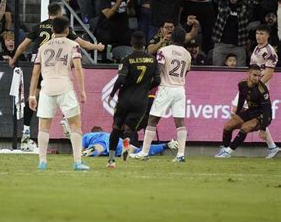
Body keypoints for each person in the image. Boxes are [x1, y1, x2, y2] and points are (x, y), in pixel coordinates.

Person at [9, 2, 104, 150]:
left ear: (48, 13)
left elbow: (23, 46)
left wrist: (14, 59)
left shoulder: (39, 27)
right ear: (59, 13)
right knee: (63, 88)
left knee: (35, 96)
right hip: (57, 63)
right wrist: (97, 47)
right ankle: (66, 118)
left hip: (40, 62)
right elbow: (83, 44)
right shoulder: (63, 27)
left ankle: (26, 134)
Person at [28, 16, 89, 171]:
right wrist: (82, 90)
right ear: (67, 30)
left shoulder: (43, 47)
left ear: (53, 30)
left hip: (47, 88)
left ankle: (42, 162)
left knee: (43, 127)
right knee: (75, 125)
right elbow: (78, 69)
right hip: (64, 87)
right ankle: (77, 162)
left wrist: (31, 95)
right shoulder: (73, 45)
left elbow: (35, 73)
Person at [134, 27, 192, 162]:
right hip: (180, 89)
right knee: (180, 122)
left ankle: (144, 152)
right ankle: (181, 155)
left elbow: (159, 71)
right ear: (183, 39)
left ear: (172, 38)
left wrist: (149, 85)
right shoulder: (187, 54)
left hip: (166, 87)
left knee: (152, 119)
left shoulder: (163, 51)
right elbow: (186, 72)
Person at [106, 31, 161, 168]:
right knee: (130, 128)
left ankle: (111, 161)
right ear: (144, 44)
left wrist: (112, 93)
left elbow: (121, 79)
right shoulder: (152, 60)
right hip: (141, 101)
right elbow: (158, 80)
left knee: (116, 127)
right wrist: (146, 88)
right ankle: (127, 140)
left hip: (125, 98)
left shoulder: (127, 59)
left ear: (131, 43)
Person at [230, 24, 279, 158]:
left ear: (268, 35)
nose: (259, 36)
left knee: (236, 111)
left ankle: (228, 148)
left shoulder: (270, 52)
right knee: (236, 111)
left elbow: (269, 74)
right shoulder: (257, 48)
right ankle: (272, 146)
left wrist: (255, 86)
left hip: (258, 88)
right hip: (250, 85)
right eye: (257, 33)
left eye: (262, 34)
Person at [209, 0, 265, 66]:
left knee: (240, 74)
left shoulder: (245, 2)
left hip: (239, 46)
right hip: (221, 44)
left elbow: (257, 0)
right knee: (216, 73)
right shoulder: (222, 0)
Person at [215, 65, 273, 158]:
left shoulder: (262, 90)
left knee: (245, 127)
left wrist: (263, 128)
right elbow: (241, 99)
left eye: (259, 76)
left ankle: (228, 152)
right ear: (248, 74)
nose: (257, 78)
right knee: (228, 125)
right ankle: (225, 148)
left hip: (262, 115)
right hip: (251, 111)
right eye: (254, 75)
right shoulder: (242, 84)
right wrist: (237, 115)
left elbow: (267, 110)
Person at [62, 123, 179, 157]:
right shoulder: (107, 133)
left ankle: (91, 151)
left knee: (99, 147)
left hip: (103, 141)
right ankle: (167, 145)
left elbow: (77, 150)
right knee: (138, 151)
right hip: (119, 141)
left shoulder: (88, 136)